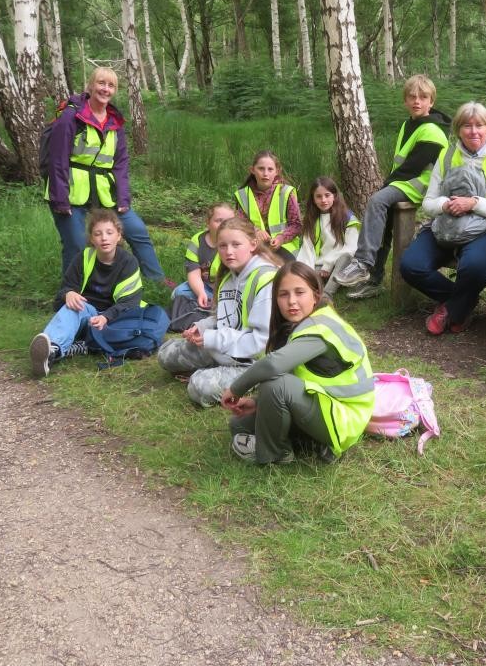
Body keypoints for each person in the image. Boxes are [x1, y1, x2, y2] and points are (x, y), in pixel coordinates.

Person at [220, 261, 374, 465]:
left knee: (274, 384)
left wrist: (236, 388)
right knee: (239, 425)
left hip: (342, 417)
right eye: (283, 294)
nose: (291, 301)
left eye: (299, 292)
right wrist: (257, 403)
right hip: (321, 404)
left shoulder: (320, 327)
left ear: (316, 296)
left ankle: (275, 455)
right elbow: (297, 377)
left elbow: (274, 365)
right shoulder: (299, 327)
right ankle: (310, 442)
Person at [398, 102, 486, 335]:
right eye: (466, 126)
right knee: (411, 265)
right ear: (458, 130)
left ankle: (452, 310)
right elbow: (429, 202)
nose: (473, 131)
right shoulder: (447, 155)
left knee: (475, 266)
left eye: (479, 125)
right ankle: (463, 302)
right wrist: (447, 205)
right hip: (445, 226)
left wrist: (473, 203)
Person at [44, 67, 165, 284]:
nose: (105, 89)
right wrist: (60, 199)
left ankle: (157, 283)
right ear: (90, 85)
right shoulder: (71, 117)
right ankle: (72, 293)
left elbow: (121, 163)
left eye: (111, 86)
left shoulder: (114, 121)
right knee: (76, 244)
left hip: (105, 191)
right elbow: (57, 160)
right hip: (70, 192)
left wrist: (124, 198)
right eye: (101, 83)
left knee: (137, 231)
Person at [334, 74, 451, 299]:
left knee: (377, 200)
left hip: (420, 187)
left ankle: (363, 263)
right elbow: (403, 164)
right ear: (405, 100)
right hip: (404, 184)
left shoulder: (433, 131)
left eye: (423, 97)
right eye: (412, 96)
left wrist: (385, 186)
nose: (417, 101)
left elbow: (413, 168)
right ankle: (374, 281)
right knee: (383, 216)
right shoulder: (410, 124)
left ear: (431, 102)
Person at [157, 216, 280, 408]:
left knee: (198, 387)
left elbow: (261, 343)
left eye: (236, 244)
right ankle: (215, 368)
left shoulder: (267, 280)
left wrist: (212, 339)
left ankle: (249, 381)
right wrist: (201, 327)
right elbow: (224, 317)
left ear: (253, 244)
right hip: (225, 348)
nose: (229, 252)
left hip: (255, 361)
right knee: (166, 354)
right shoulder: (228, 276)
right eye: (222, 246)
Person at [30, 208, 143, 378]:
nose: (104, 238)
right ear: (91, 238)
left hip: (113, 319)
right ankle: (51, 350)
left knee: (92, 313)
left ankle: (65, 347)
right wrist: (68, 293)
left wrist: (106, 317)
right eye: (98, 234)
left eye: (109, 232)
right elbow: (65, 288)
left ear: (119, 235)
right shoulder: (83, 257)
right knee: (73, 306)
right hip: (85, 313)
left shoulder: (129, 263)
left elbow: (130, 303)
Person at [168, 201, 235, 332]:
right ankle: (204, 308)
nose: (224, 225)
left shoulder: (237, 242)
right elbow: (193, 272)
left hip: (228, 287)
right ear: (208, 222)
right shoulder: (197, 240)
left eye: (229, 221)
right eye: (218, 220)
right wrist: (201, 293)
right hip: (205, 286)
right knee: (178, 293)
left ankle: (212, 312)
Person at [233, 150, 302, 261]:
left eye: (270, 169)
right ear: (252, 170)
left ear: (277, 171)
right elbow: (240, 224)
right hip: (254, 245)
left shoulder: (286, 192)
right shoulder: (243, 195)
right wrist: (256, 231)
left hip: (284, 246)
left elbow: (296, 224)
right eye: (261, 169)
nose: (265, 174)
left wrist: (281, 238)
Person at [296, 177, 360, 295]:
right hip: (319, 266)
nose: (323, 200)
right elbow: (307, 249)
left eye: (327, 195)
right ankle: (313, 290)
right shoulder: (311, 220)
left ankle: (327, 294)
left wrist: (328, 265)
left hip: (340, 265)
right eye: (318, 196)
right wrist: (307, 272)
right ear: (313, 199)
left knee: (345, 258)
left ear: (334, 196)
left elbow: (351, 248)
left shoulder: (348, 217)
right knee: (302, 278)